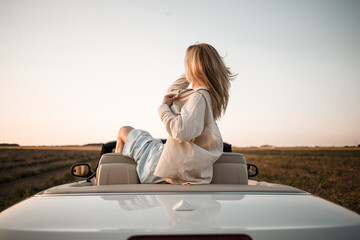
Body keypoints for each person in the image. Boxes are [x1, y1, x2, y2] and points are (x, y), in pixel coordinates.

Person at [115, 43, 236, 184]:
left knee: (123, 131)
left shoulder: (198, 97)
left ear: (192, 67)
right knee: (132, 134)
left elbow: (181, 131)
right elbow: (172, 90)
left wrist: (164, 109)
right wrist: (194, 72)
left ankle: (117, 176)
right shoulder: (207, 97)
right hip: (177, 162)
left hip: (160, 166)